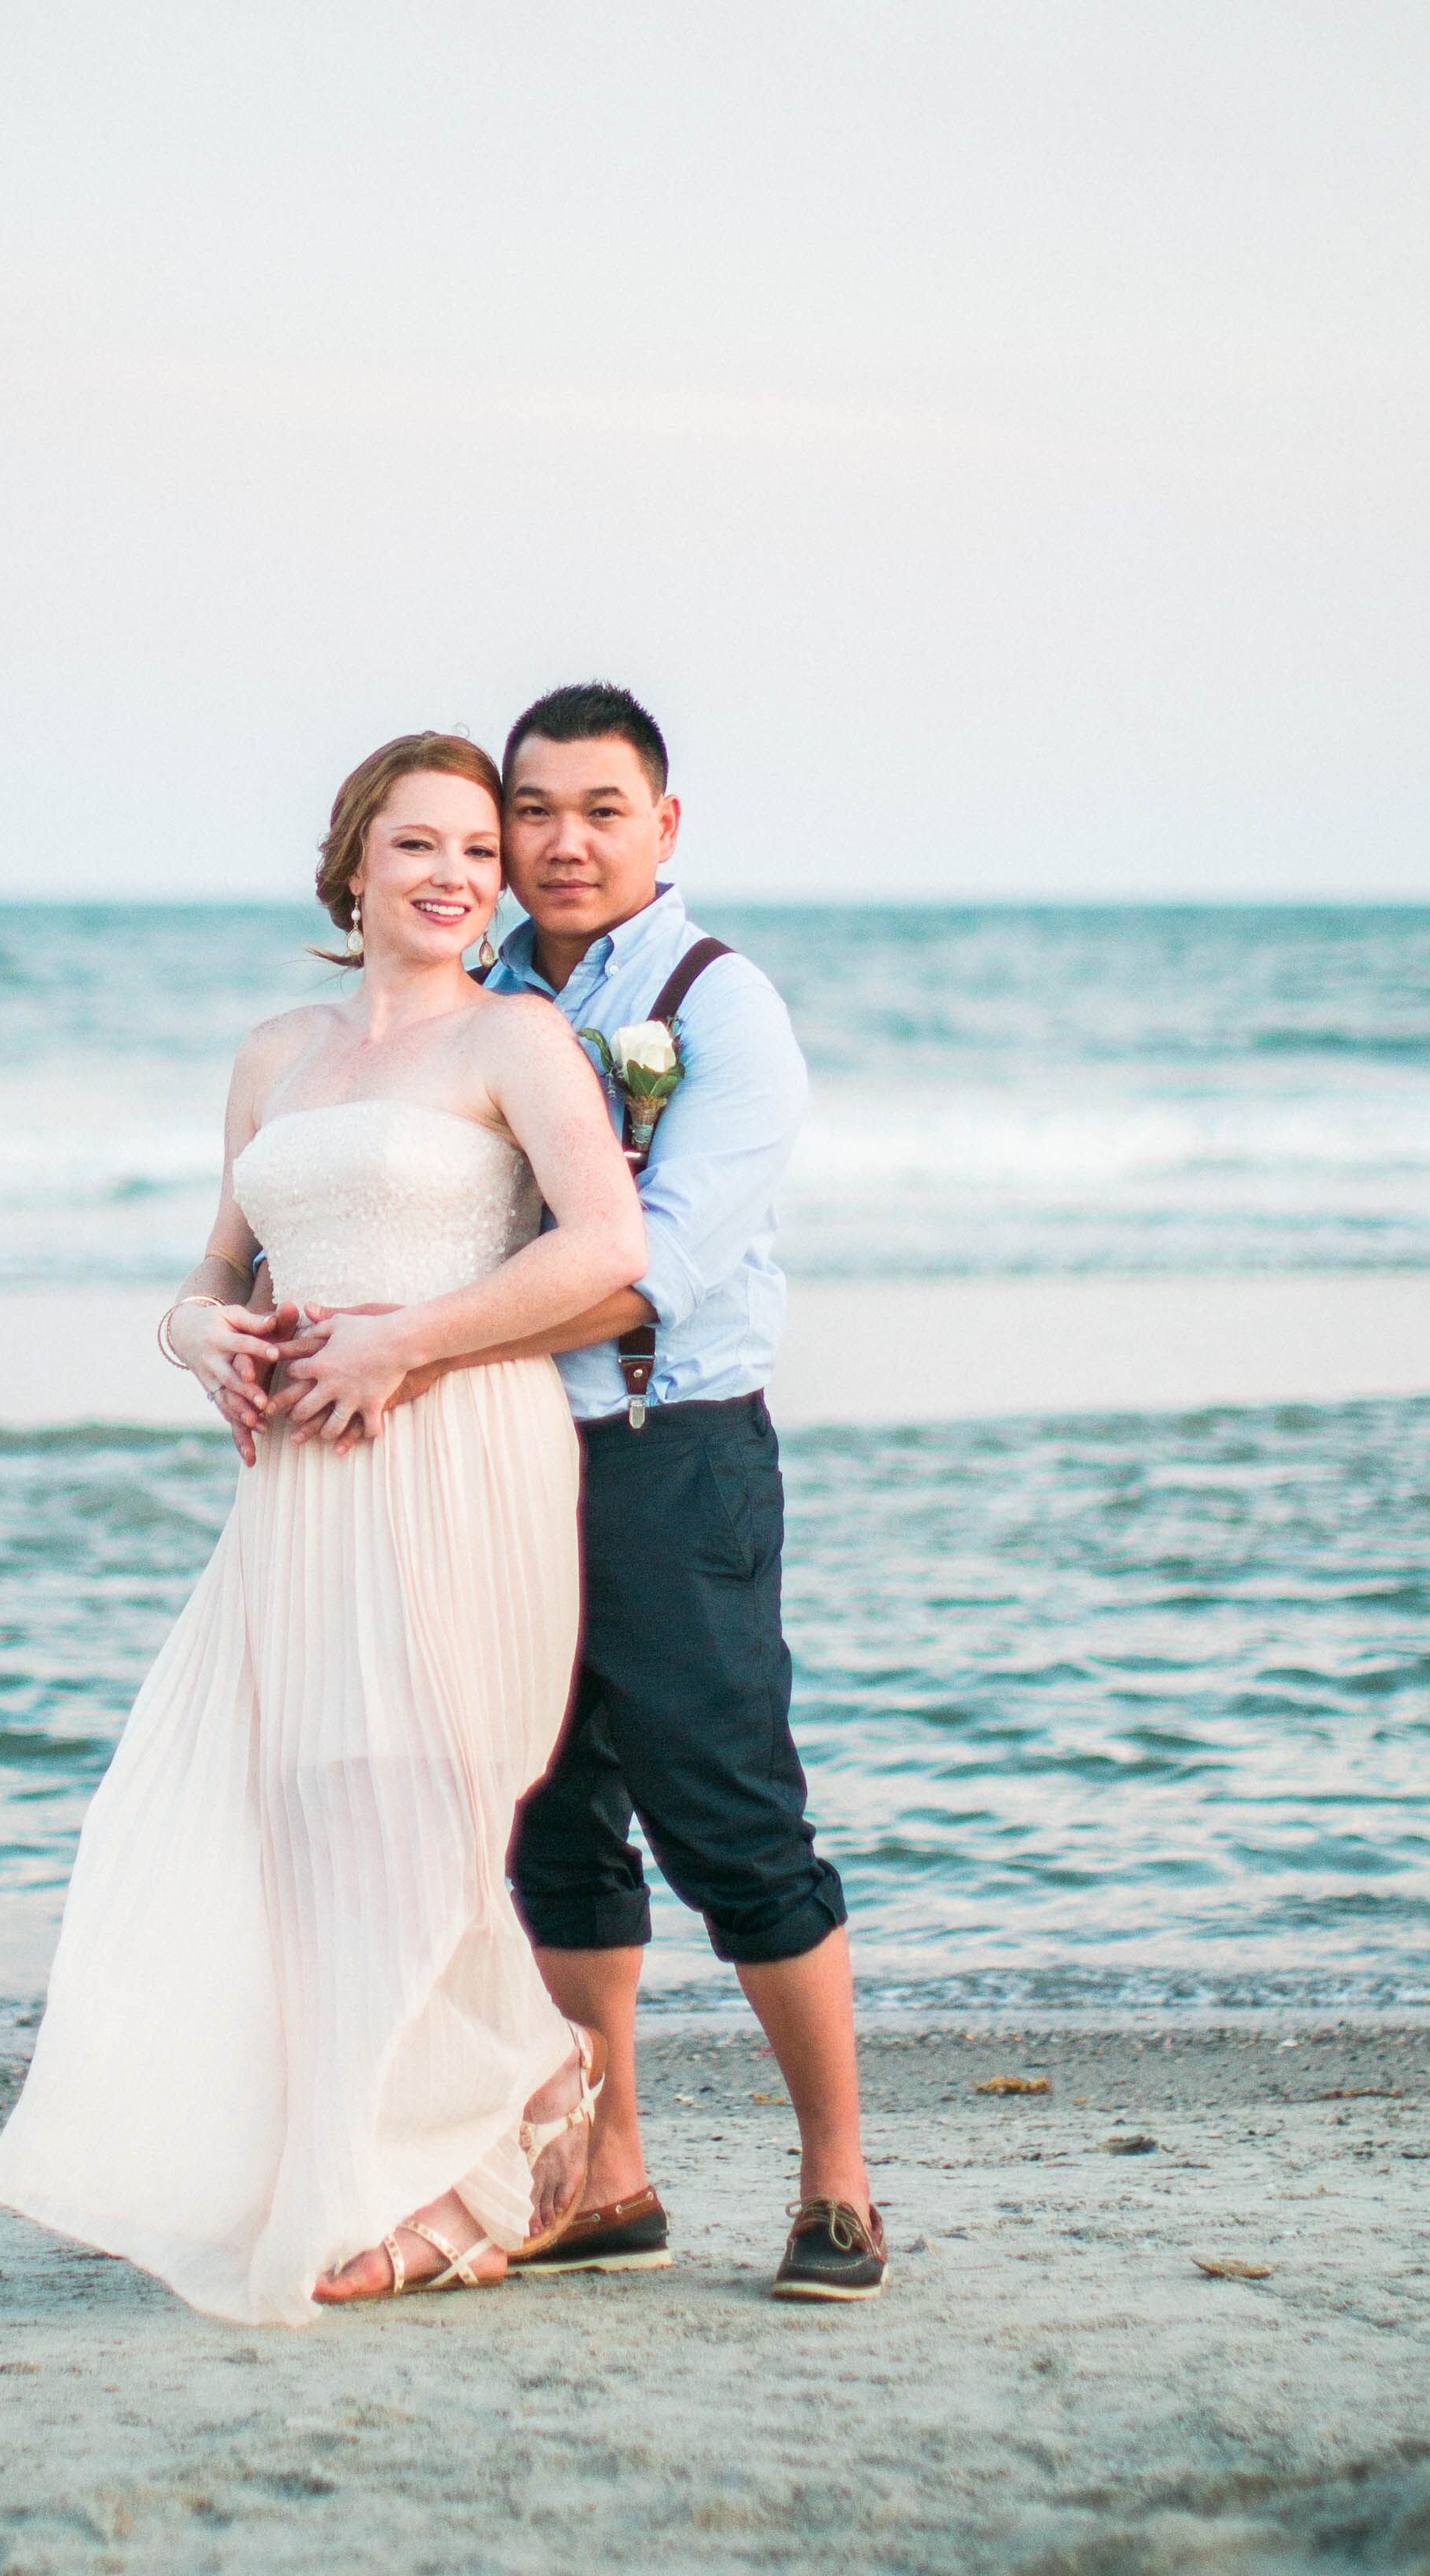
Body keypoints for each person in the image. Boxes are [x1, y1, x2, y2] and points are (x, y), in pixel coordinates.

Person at [0, 731, 647, 2325]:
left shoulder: (521, 1041)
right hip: (301, 1487)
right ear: (352, 862)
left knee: (421, 1813)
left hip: (454, 1456)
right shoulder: (275, 1053)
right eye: (421, 846)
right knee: (299, 1818)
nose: (457, 878)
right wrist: (193, 1336)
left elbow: (610, 1248)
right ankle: (413, 2153)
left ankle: (497, 2136)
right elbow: (222, 1270)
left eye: (481, 854)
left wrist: (407, 1338)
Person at [486, 680, 883, 2302]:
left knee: (732, 1815)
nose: (562, 842)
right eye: (532, 810)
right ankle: (609, 2170)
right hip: (499, 1458)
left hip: (672, 1450)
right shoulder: (483, 991)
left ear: (664, 825)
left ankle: (840, 2186)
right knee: (552, 1815)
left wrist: (418, 1344)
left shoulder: (724, 1009)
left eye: (599, 809)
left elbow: (659, 1271)